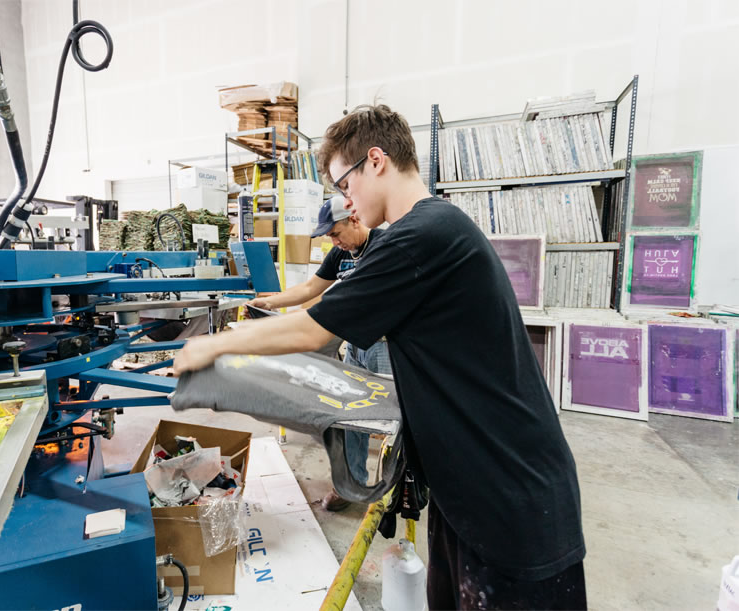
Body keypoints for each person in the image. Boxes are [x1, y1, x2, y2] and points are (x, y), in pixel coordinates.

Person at [176, 105, 586, 610]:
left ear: (375, 161)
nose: (345, 202)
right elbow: (323, 311)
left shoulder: (421, 237)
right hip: (472, 488)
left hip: (509, 493)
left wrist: (213, 344)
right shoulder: (430, 231)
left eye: (344, 185)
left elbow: (312, 328)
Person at [248, 195, 392, 512]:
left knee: (393, 424)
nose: (333, 240)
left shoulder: (387, 246)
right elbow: (311, 289)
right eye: (328, 235)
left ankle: (398, 491)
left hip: (386, 347)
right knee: (347, 417)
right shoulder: (340, 254)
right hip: (355, 345)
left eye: (335, 232)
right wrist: (270, 303)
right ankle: (351, 486)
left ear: (355, 219)